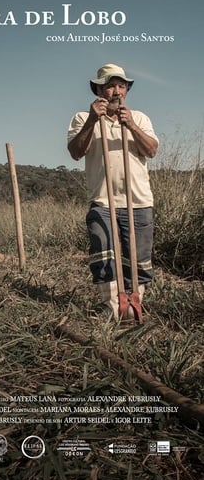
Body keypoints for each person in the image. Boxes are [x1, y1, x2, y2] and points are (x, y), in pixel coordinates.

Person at [67, 63, 159, 321]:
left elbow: (151, 150)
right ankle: (113, 306)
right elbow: (75, 152)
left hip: (138, 199)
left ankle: (135, 303)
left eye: (121, 85)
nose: (116, 91)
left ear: (126, 90)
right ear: (99, 89)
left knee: (138, 258)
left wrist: (130, 125)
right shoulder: (82, 118)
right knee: (104, 253)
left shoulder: (139, 117)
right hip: (102, 199)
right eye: (110, 85)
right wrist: (93, 119)